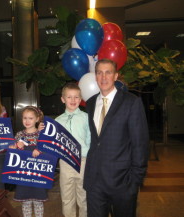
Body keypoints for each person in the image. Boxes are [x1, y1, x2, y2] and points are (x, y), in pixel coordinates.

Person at [84, 59, 149, 217]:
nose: (103, 77)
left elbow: (140, 144)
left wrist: (134, 182)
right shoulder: (91, 103)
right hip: (94, 181)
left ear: (116, 76)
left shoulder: (131, 102)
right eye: (99, 72)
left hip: (122, 182)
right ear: (95, 76)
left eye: (108, 72)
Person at [55, 83, 91, 217]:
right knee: (67, 197)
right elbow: (53, 143)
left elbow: (90, 139)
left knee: (84, 197)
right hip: (65, 162)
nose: (73, 100)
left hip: (83, 161)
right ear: (63, 99)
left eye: (76, 97)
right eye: (69, 97)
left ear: (80, 99)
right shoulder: (57, 121)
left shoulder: (86, 118)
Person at [10, 106, 47, 217]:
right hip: (23, 174)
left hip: (38, 174)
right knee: (25, 201)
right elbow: (13, 156)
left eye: (30, 118)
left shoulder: (41, 135)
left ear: (37, 119)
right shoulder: (19, 135)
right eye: (25, 118)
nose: (27, 121)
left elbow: (48, 150)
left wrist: (40, 150)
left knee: (38, 201)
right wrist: (16, 147)